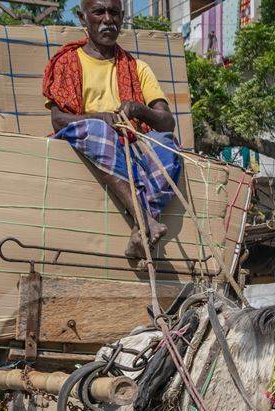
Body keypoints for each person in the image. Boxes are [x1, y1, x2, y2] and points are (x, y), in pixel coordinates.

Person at [43, 0, 181, 259]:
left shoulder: (138, 68)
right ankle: (145, 220)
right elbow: (58, 119)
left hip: (133, 146)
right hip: (90, 140)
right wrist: (101, 118)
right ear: (83, 18)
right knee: (97, 130)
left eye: (114, 13)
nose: (108, 19)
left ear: (122, 17)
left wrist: (139, 110)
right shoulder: (67, 62)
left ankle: (140, 234)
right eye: (99, 12)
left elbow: (166, 122)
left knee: (167, 144)